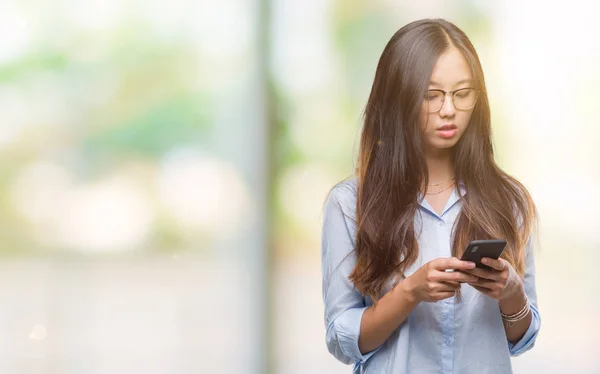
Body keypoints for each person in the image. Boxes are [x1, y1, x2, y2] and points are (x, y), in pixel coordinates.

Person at [320, 18, 541, 373]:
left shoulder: (508, 201)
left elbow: (520, 339)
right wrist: (410, 292)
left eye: (462, 93)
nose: (449, 109)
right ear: (400, 98)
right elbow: (343, 340)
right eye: (432, 95)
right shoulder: (350, 205)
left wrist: (511, 293)